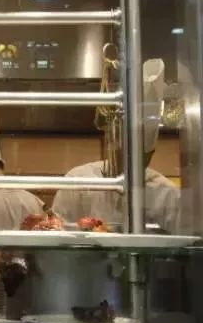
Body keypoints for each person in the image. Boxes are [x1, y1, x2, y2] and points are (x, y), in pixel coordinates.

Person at [52, 59, 179, 233]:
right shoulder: (78, 182)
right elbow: (58, 237)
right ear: (111, 142)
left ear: (151, 153)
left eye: (142, 158)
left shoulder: (167, 194)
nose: (131, 166)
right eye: (125, 154)